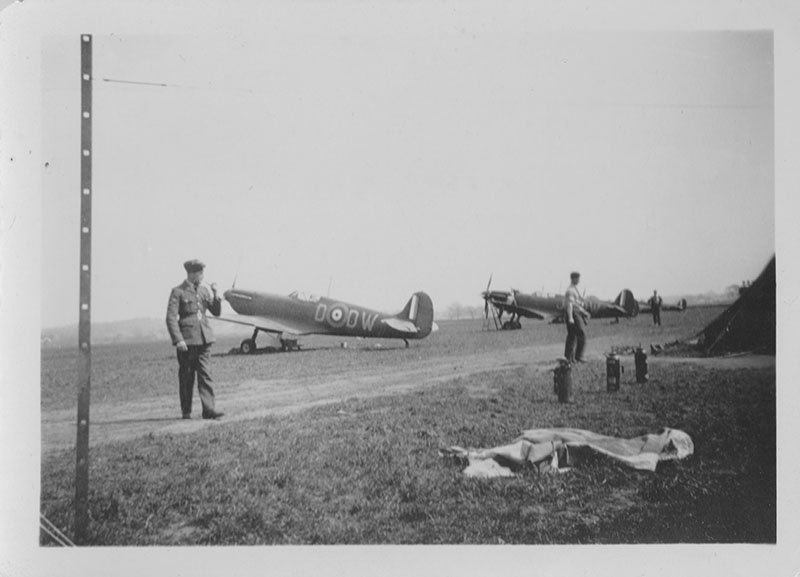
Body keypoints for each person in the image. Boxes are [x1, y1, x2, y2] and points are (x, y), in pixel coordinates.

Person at [166, 259, 224, 420]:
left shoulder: (204, 291)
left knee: (206, 375)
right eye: (200, 273)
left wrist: (215, 294)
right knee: (187, 376)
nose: (202, 276)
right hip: (187, 341)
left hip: (205, 338)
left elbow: (216, 312)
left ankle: (209, 410)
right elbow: (170, 318)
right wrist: (178, 340)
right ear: (191, 273)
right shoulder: (178, 291)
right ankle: (186, 412)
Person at [564, 271, 590, 363]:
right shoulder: (570, 290)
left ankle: (569, 357)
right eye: (577, 278)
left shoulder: (574, 289)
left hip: (576, 312)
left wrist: (584, 312)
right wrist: (570, 317)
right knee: (581, 334)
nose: (579, 280)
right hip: (573, 313)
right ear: (573, 279)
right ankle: (578, 356)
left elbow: (576, 304)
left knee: (572, 335)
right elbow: (570, 305)